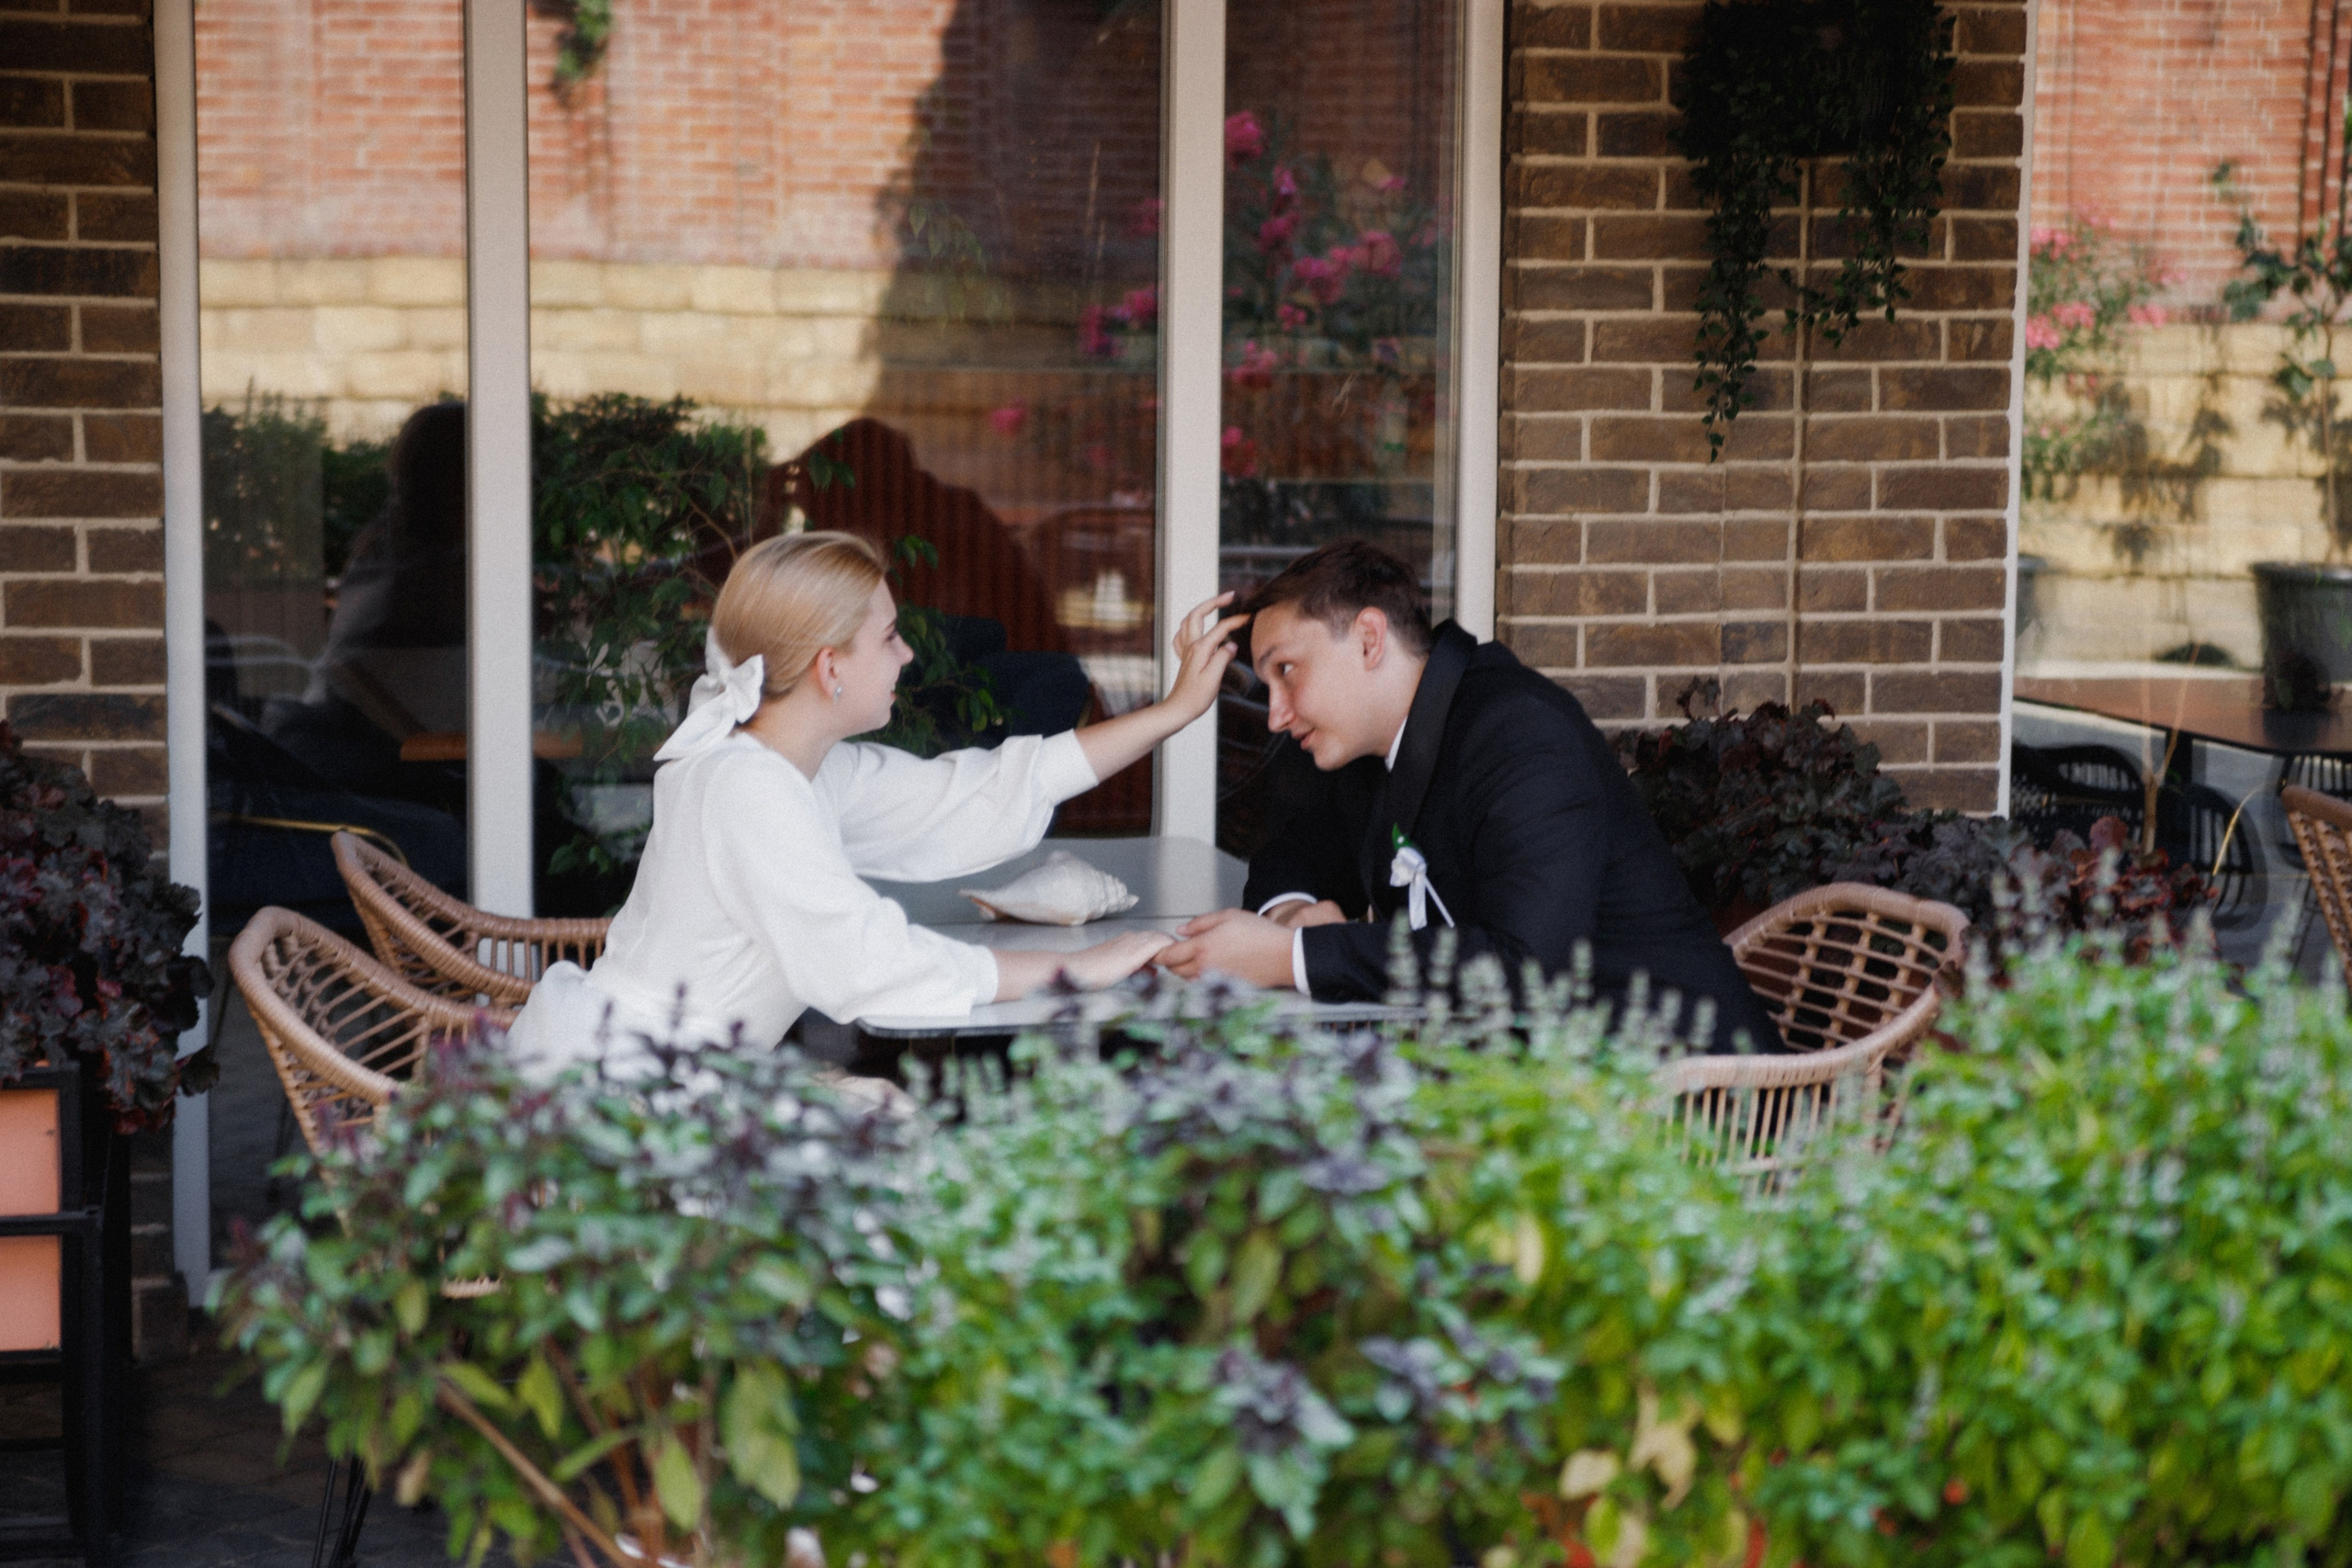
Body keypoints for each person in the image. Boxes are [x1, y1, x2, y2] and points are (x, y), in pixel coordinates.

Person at [506, 530, 1246, 1073]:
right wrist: (1074, 969)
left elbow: (983, 790)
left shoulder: (797, 767)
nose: (908, 655)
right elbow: (868, 962)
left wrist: (1173, 712)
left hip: (680, 1082)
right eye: (890, 636)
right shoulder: (746, 787)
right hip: (631, 1109)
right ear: (830, 668)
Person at [1158, 540, 1783, 1053]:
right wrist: (1290, 915)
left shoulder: (1519, 732)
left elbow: (1525, 965)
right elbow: (1288, 858)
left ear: (1370, 639)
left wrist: (1292, 956)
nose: (1274, 714)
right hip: (1529, 1089)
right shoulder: (1370, 745)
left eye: (1286, 670)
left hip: (1685, 1103)